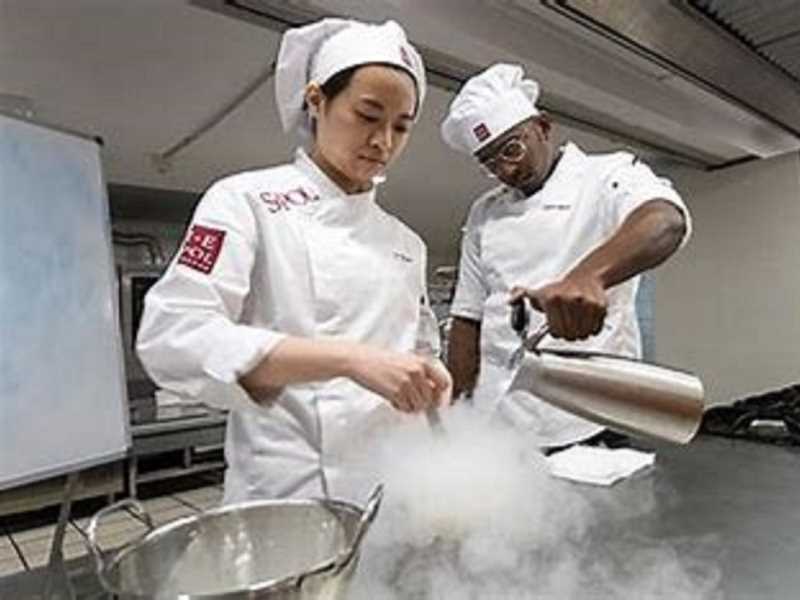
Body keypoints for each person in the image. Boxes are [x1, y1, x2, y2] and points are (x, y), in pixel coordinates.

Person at [137, 18, 451, 504]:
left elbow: (416, 345)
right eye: (368, 115)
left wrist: (428, 371)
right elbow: (173, 337)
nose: (383, 142)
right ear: (316, 100)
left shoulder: (405, 241)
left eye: (401, 126)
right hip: (290, 493)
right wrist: (348, 359)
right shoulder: (246, 201)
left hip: (392, 487)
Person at [440, 63, 691, 450]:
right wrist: (454, 416)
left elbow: (664, 220)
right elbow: (468, 319)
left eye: (512, 149)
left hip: (587, 419)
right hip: (499, 424)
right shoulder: (484, 212)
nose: (506, 169)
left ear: (542, 127)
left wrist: (588, 277)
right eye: (490, 163)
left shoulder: (606, 175)